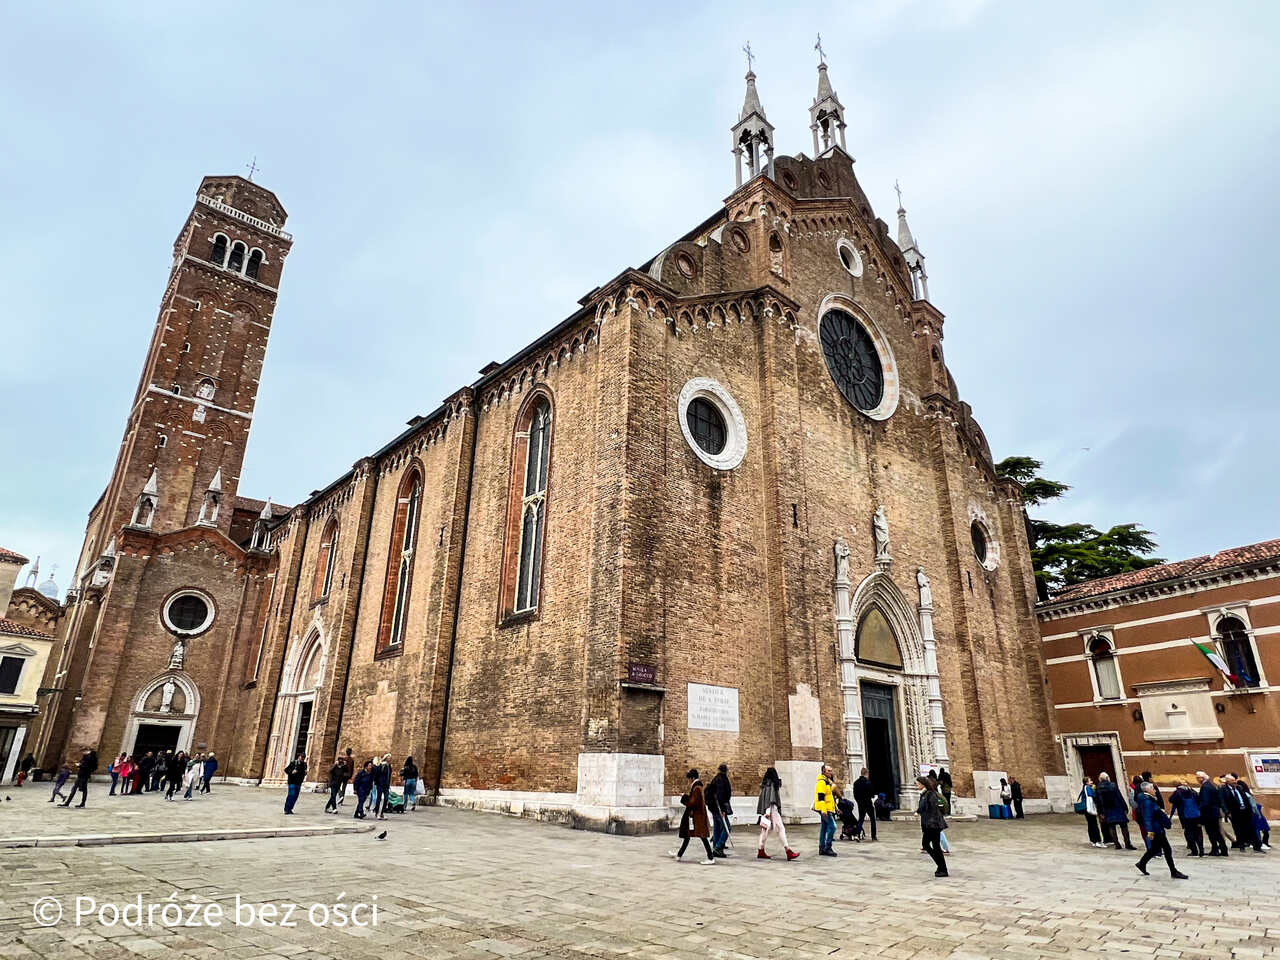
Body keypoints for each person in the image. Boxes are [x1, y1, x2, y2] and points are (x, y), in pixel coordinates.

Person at [1134, 781, 1188, 879]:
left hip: (1157, 827)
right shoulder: (1147, 801)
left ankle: (1141, 863)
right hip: (1156, 829)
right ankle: (1173, 871)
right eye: (1153, 788)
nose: (1155, 790)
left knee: (1154, 849)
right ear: (1148, 790)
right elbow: (1147, 817)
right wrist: (1149, 831)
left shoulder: (1149, 799)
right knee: (1167, 849)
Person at [669, 768, 715, 864]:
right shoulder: (696, 786)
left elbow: (693, 802)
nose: (688, 781)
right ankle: (679, 854)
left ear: (692, 777)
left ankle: (710, 858)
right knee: (687, 835)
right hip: (695, 815)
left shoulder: (697, 787)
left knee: (702, 836)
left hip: (697, 815)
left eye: (689, 778)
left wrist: (684, 797)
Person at [755, 767, 799, 861]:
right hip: (772, 810)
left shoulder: (764, 784)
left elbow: (765, 798)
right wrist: (768, 812)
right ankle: (788, 851)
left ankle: (761, 850)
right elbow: (770, 800)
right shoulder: (772, 784)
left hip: (768, 810)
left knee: (765, 831)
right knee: (780, 828)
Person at [916, 775, 949, 877]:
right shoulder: (924, 794)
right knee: (933, 846)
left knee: (928, 845)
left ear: (923, 784)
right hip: (930, 824)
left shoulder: (930, 794)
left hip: (933, 824)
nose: (917, 785)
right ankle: (941, 867)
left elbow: (933, 810)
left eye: (918, 784)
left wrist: (930, 824)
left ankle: (942, 867)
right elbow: (922, 808)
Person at [1095, 773, 1136, 850]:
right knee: (1124, 827)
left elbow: (1098, 801)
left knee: (1111, 827)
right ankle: (1128, 844)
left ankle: (1117, 844)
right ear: (1107, 778)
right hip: (1117, 808)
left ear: (1100, 779)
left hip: (1107, 809)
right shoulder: (1113, 785)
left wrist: (1100, 812)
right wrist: (1125, 807)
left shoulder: (1098, 787)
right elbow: (1119, 796)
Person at [1222, 774, 1262, 852]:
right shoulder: (1224, 790)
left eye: (1234, 780)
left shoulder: (1239, 788)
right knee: (1238, 830)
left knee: (1251, 829)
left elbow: (1245, 798)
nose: (1234, 782)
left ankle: (1257, 847)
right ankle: (1241, 845)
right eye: (1232, 781)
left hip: (1245, 811)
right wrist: (1227, 812)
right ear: (1227, 782)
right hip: (1235, 812)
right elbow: (1222, 802)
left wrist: (1249, 809)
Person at [1195, 771, 1228, 856]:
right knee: (1217, 832)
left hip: (1209, 814)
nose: (1197, 779)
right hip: (1214, 812)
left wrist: (1199, 808)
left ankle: (1215, 849)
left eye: (1197, 777)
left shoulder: (1205, 787)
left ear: (1201, 778)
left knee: (1211, 833)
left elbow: (1205, 801)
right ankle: (1223, 849)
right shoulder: (1211, 785)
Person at [1169, 779, 1204, 857]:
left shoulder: (1178, 792)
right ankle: (1201, 850)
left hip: (1185, 816)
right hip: (1196, 815)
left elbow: (1171, 800)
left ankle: (1194, 851)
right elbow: (1199, 800)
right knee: (1198, 832)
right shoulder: (1192, 790)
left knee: (1188, 833)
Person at [706, 763, 732, 857]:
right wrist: (723, 810)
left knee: (717, 827)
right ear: (726, 770)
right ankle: (718, 847)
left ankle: (715, 847)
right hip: (719, 808)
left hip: (713, 807)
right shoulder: (722, 780)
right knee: (727, 828)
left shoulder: (716, 779)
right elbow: (721, 796)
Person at [813, 764, 838, 856]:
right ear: (823, 772)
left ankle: (822, 847)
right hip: (824, 809)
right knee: (832, 827)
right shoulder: (821, 782)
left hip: (828, 808)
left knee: (824, 828)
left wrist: (836, 808)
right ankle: (828, 847)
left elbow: (829, 797)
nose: (830, 772)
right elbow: (821, 797)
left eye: (831, 770)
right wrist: (823, 811)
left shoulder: (827, 782)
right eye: (828, 771)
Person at [1078, 777, 1103, 847]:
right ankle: (1098, 841)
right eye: (1090, 780)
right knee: (1094, 824)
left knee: (1090, 824)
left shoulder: (1084, 788)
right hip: (1089, 808)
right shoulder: (1088, 788)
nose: (1091, 781)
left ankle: (1093, 840)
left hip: (1086, 809)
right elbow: (1092, 796)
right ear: (1086, 782)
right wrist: (1094, 790)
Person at [852, 767, 876, 841]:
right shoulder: (867, 782)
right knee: (872, 819)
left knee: (861, 819)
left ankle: (857, 834)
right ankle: (873, 836)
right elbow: (871, 793)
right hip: (868, 803)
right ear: (867, 774)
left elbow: (855, 794)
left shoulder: (856, 783)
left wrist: (858, 801)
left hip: (860, 803)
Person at [372, 754, 392, 820]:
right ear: (386, 758)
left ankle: (382, 813)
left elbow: (389, 776)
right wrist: (376, 782)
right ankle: (377, 812)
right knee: (379, 798)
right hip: (380, 784)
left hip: (386, 785)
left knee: (386, 799)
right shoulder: (381, 765)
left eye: (390, 758)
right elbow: (376, 774)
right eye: (388, 758)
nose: (390, 759)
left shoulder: (389, 766)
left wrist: (389, 784)